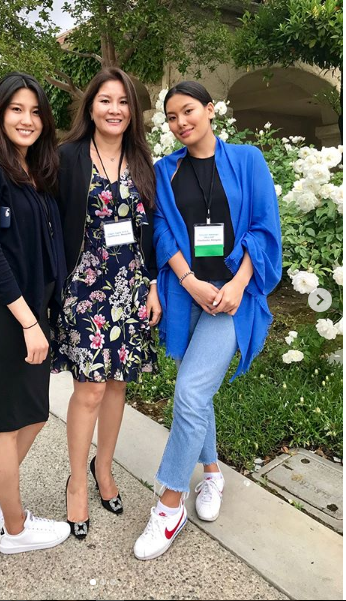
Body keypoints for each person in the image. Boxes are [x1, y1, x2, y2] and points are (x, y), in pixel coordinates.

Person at [134, 81, 282, 560]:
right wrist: (188, 279)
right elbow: (160, 228)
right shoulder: (166, 169)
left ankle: (169, 504)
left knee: (191, 391)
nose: (181, 123)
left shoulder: (247, 160)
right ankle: (213, 475)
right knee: (195, 393)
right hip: (188, 296)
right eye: (172, 117)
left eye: (188, 111)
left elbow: (264, 227)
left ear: (210, 109)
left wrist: (238, 285)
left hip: (232, 298)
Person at [0, 72, 70, 554]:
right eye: (16, 109)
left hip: (32, 313)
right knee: (5, 422)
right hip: (5, 315)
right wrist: (28, 322)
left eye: (35, 111)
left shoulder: (35, 173)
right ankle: (16, 529)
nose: (27, 120)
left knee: (34, 415)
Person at [51, 67, 161, 538]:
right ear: (91, 107)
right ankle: (77, 482)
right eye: (105, 100)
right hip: (84, 287)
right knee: (90, 389)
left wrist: (153, 284)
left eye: (123, 101)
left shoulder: (143, 160)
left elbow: (152, 230)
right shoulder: (67, 157)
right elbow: (49, 222)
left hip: (131, 286)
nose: (115, 109)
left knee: (117, 386)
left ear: (132, 110)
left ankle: (104, 467)